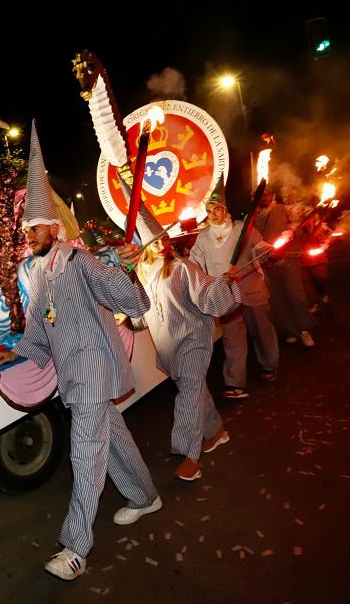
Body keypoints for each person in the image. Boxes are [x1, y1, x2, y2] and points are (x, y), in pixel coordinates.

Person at [0, 123, 160, 582]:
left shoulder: (80, 260)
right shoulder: (40, 274)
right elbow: (42, 333)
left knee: (85, 453)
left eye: (35, 226)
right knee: (116, 442)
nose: (29, 233)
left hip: (93, 370)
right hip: (75, 377)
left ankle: (75, 548)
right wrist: (14, 354)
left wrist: (127, 269)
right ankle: (146, 497)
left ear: (54, 226)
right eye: (25, 228)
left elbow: (135, 304)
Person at [121, 222, 242, 483]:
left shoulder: (182, 267)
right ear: (143, 246)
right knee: (195, 389)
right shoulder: (141, 274)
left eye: (163, 238)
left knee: (188, 393)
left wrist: (225, 284)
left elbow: (208, 295)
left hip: (193, 340)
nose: (160, 244)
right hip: (169, 346)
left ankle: (190, 457)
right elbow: (140, 318)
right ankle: (217, 431)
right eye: (153, 240)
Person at [189, 192, 280, 399]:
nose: (213, 215)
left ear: (225, 209)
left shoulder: (242, 229)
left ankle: (269, 365)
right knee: (232, 338)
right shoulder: (203, 237)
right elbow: (194, 265)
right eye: (209, 211)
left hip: (251, 289)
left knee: (261, 330)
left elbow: (261, 247)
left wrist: (269, 252)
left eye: (217, 209)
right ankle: (234, 382)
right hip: (225, 295)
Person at [254, 189, 317, 347]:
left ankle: (304, 330)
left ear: (272, 195)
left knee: (294, 294)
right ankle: (292, 331)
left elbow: (301, 226)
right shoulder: (252, 216)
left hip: (289, 259)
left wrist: (293, 230)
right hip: (268, 263)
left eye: (267, 193)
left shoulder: (283, 209)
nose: (265, 197)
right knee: (278, 299)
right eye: (261, 194)